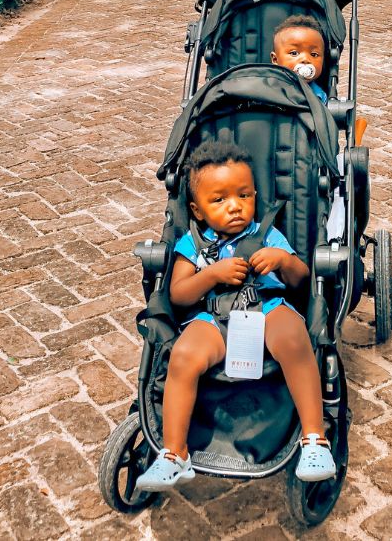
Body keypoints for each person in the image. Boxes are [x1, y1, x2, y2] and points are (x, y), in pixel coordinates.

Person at [137, 140, 336, 491]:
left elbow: (301, 280)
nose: (235, 207)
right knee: (182, 356)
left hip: (268, 308)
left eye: (244, 196)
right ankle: (174, 453)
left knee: (293, 339)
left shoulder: (267, 234)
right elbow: (179, 295)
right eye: (220, 200)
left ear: (255, 196)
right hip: (214, 317)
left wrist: (282, 261)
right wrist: (211, 275)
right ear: (197, 210)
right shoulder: (192, 243)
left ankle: (314, 439)